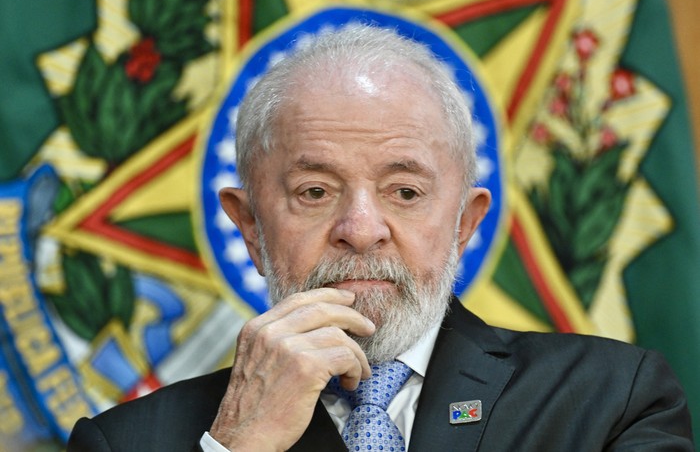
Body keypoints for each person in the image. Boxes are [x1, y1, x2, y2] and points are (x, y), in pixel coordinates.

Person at [67, 24, 694, 452]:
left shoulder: (612, 400)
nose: (362, 231)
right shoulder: (125, 442)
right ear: (250, 227)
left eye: (406, 192)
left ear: (465, 224)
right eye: (314, 192)